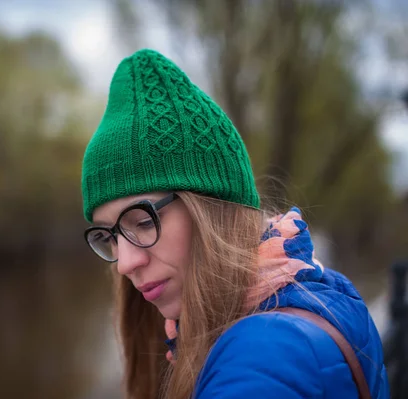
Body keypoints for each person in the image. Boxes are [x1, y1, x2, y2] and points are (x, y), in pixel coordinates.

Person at [80, 49, 389, 399]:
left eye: (142, 221)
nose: (124, 263)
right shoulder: (317, 289)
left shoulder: (265, 358)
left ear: (212, 209)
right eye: (110, 237)